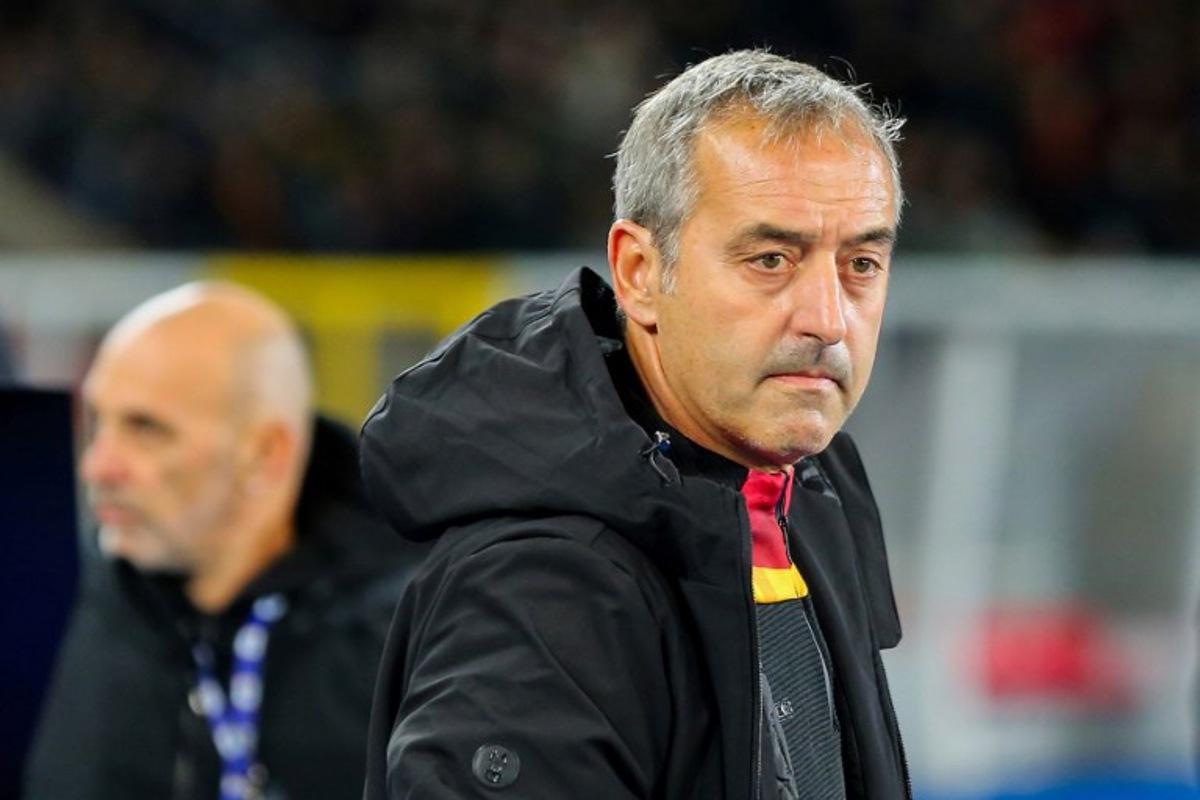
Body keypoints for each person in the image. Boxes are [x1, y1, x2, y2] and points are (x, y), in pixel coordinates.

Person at [360, 49, 908, 799]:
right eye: (771, 258)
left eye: (862, 264)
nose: (828, 320)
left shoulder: (802, 492)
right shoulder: (542, 587)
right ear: (641, 273)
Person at [25, 283, 425, 800]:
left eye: (146, 429)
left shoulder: (420, 640)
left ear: (265, 453)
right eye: (98, 423)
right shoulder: (64, 604)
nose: (98, 466)